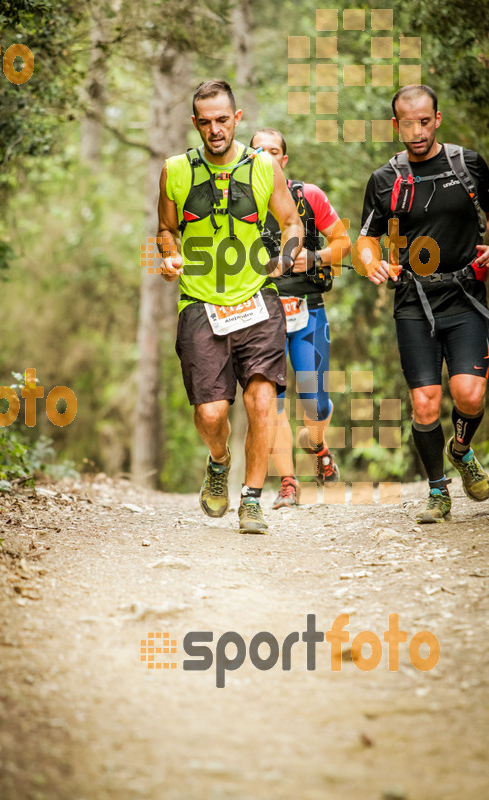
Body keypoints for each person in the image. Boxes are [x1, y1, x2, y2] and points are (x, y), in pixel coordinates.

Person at [157, 80, 303, 534]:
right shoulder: (175, 170)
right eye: (206, 122)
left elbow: (291, 220)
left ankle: (252, 498)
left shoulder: (263, 166)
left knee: (262, 401)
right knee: (212, 413)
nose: (215, 129)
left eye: (223, 120)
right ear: (195, 123)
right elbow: (165, 229)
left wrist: (288, 253)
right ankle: (219, 460)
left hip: (258, 298)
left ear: (236, 118)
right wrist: (167, 255)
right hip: (200, 302)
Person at [357, 84, 489, 523]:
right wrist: (372, 262)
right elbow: (365, 240)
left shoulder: (467, 164)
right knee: (426, 402)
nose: (416, 131)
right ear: (396, 124)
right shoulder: (385, 179)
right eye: (407, 123)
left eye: (424, 120)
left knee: (468, 394)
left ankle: (461, 449)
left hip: (466, 294)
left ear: (437, 118)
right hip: (414, 299)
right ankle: (437, 491)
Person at [250, 128, 350, 508]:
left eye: (274, 151)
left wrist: (316, 257)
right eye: (259, 151)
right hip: (260, 315)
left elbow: (346, 244)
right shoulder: (240, 202)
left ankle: (319, 445)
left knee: (316, 405)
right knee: (270, 403)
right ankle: (288, 483)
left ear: (284, 160)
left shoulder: (309, 197)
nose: (267, 157)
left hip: (308, 313)